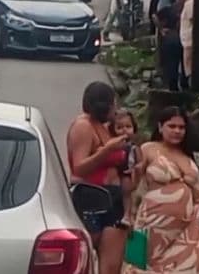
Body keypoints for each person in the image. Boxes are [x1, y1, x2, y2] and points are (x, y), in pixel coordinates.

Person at [124, 106, 199, 273]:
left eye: (181, 127)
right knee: (137, 263)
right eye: (172, 126)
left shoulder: (186, 155)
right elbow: (132, 185)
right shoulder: (148, 148)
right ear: (161, 127)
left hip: (186, 224)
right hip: (151, 219)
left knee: (187, 266)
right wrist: (129, 215)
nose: (177, 131)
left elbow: (195, 187)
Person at [67, 81, 129, 274]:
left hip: (114, 197)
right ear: (105, 105)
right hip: (92, 197)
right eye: (113, 104)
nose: (116, 109)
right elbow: (79, 167)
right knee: (84, 259)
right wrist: (108, 150)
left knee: (111, 265)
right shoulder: (83, 126)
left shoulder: (103, 126)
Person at [108, 109, 143, 227]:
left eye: (128, 126)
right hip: (114, 174)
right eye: (120, 127)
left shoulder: (133, 147)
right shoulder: (112, 145)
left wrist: (137, 169)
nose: (124, 130)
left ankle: (127, 214)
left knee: (127, 193)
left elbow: (140, 162)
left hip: (127, 173)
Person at [155, 5, 183, 91]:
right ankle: (178, 85)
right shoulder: (183, 7)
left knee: (171, 65)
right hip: (180, 37)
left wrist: (160, 29)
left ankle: (172, 86)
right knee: (178, 64)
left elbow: (154, 16)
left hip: (170, 37)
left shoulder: (171, 8)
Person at [178, 0, 195, 87]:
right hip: (187, 40)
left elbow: (193, 19)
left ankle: (191, 86)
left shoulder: (189, 3)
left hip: (189, 40)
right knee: (187, 64)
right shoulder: (189, 3)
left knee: (188, 65)